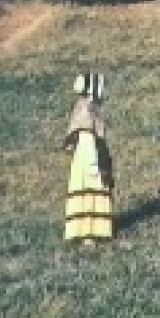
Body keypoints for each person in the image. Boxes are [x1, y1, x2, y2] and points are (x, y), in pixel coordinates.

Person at [62, 72, 113, 244]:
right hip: (89, 152)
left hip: (84, 152)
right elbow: (89, 134)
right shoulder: (88, 108)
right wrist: (94, 162)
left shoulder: (81, 105)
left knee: (86, 185)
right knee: (92, 185)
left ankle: (85, 230)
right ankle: (89, 232)